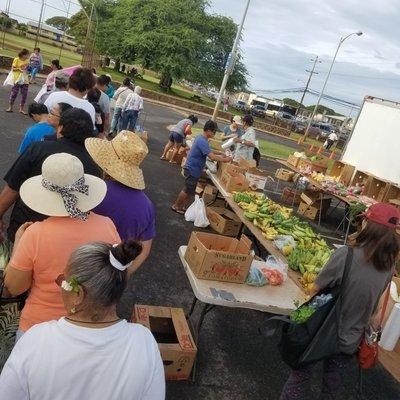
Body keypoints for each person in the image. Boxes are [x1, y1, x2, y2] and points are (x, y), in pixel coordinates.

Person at [0, 240, 165, 400]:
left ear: (78, 294)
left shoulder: (36, 339)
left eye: (63, 280)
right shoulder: (144, 342)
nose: (60, 282)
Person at [280, 202, 400, 400]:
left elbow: (315, 288)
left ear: (369, 226)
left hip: (320, 332)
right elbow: (375, 305)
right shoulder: (388, 268)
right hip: (350, 340)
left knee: (299, 378)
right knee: (332, 385)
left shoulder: (346, 254)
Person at [1, 153, 121, 340]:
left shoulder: (35, 234)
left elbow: (14, 287)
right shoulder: (108, 226)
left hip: (39, 327)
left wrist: (18, 244)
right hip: (92, 325)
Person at [0, 108, 100, 242]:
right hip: (64, 237)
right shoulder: (93, 166)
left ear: (60, 128)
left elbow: (12, 188)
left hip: (25, 228)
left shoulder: (37, 148)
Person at [86, 131, 155, 274]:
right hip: (116, 272)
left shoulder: (94, 191)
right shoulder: (147, 205)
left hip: (85, 263)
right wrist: (125, 275)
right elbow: (145, 249)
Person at [172, 120, 232, 213]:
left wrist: (220, 153)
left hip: (193, 168)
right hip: (193, 169)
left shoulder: (201, 138)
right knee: (187, 190)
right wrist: (225, 159)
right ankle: (176, 206)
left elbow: (208, 150)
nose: (214, 134)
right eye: (214, 132)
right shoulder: (202, 141)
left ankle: (183, 207)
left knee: (190, 190)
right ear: (208, 131)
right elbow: (211, 156)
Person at [6, 49, 30, 114]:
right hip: (17, 79)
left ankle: (21, 109)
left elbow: (28, 70)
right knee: (14, 93)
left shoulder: (27, 61)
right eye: (28, 54)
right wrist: (19, 69)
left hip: (25, 80)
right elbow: (13, 69)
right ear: (23, 54)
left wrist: (28, 71)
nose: (28, 55)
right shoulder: (16, 59)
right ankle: (10, 107)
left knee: (24, 94)